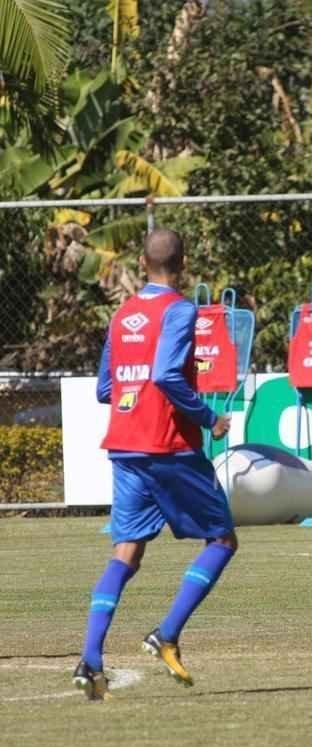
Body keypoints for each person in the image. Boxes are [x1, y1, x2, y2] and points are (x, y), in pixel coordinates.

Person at [73, 228, 238, 700]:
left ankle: (91, 657)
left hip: (124, 443)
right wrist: (208, 418)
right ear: (182, 264)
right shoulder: (182, 310)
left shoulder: (124, 312)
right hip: (168, 445)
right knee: (222, 539)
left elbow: (105, 389)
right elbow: (166, 373)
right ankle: (165, 634)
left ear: (142, 265)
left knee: (126, 552)